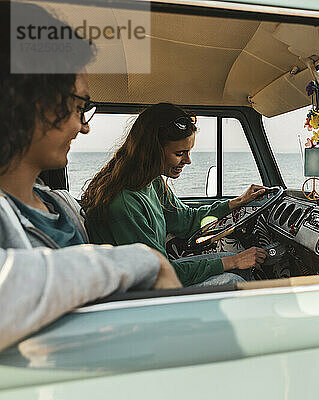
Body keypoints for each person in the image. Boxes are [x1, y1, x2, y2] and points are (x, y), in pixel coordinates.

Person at [0, 3, 181, 352]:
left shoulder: (63, 204)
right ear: (32, 101)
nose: (84, 126)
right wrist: (146, 260)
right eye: (80, 105)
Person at [82, 102, 269, 287]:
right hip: (138, 293)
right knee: (233, 280)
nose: (188, 160)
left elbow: (185, 221)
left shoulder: (152, 182)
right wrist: (234, 262)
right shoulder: (125, 203)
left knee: (235, 263)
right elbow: (156, 275)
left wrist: (237, 202)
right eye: (180, 153)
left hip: (157, 272)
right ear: (152, 152)